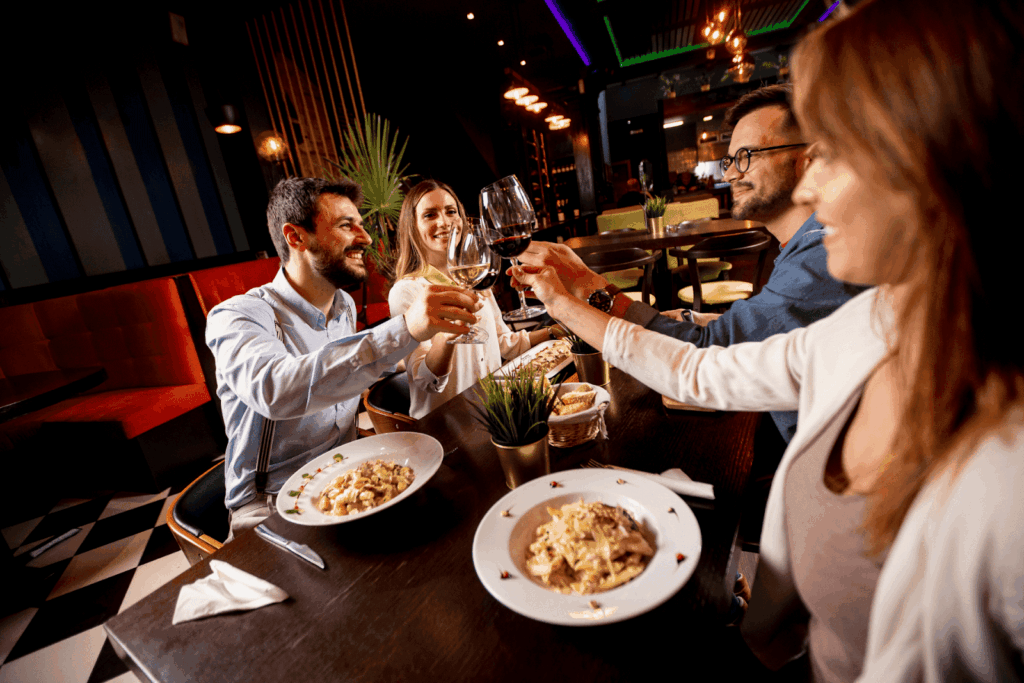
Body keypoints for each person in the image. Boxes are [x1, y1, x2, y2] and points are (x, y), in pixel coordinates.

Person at [514, 0, 1024, 680]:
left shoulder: (1007, 480)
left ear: (943, 158)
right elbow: (701, 369)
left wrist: (580, 298)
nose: (813, 182)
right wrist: (571, 299)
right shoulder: (876, 324)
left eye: (834, 153)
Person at [518, 83, 866, 443]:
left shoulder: (822, 257)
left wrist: (574, 294)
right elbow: (755, 335)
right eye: (729, 161)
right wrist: (678, 316)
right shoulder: (804, 249)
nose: (730, 174)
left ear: (806, 161)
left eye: (746, 155)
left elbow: (706, 358)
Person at [207, 177, 482, 539]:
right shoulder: (237, 316)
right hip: (269, 507)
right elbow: (277, 390)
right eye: (345, 225)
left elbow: (348, 366)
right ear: (296, 237)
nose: (365, 238)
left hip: (347, 478)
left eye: (361, 225)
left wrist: (422, 349)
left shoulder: (343, 305)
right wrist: (406, 329)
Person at [387, 180, 557, 419]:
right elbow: (426, 381)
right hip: (446, 424)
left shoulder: (475, 276)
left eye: (451, 211)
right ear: (412, 227)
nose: (444, 222)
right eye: (429, 215)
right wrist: (448, 336)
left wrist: (555, 332)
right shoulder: (406, 291)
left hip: (495, 415)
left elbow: (502, 343)